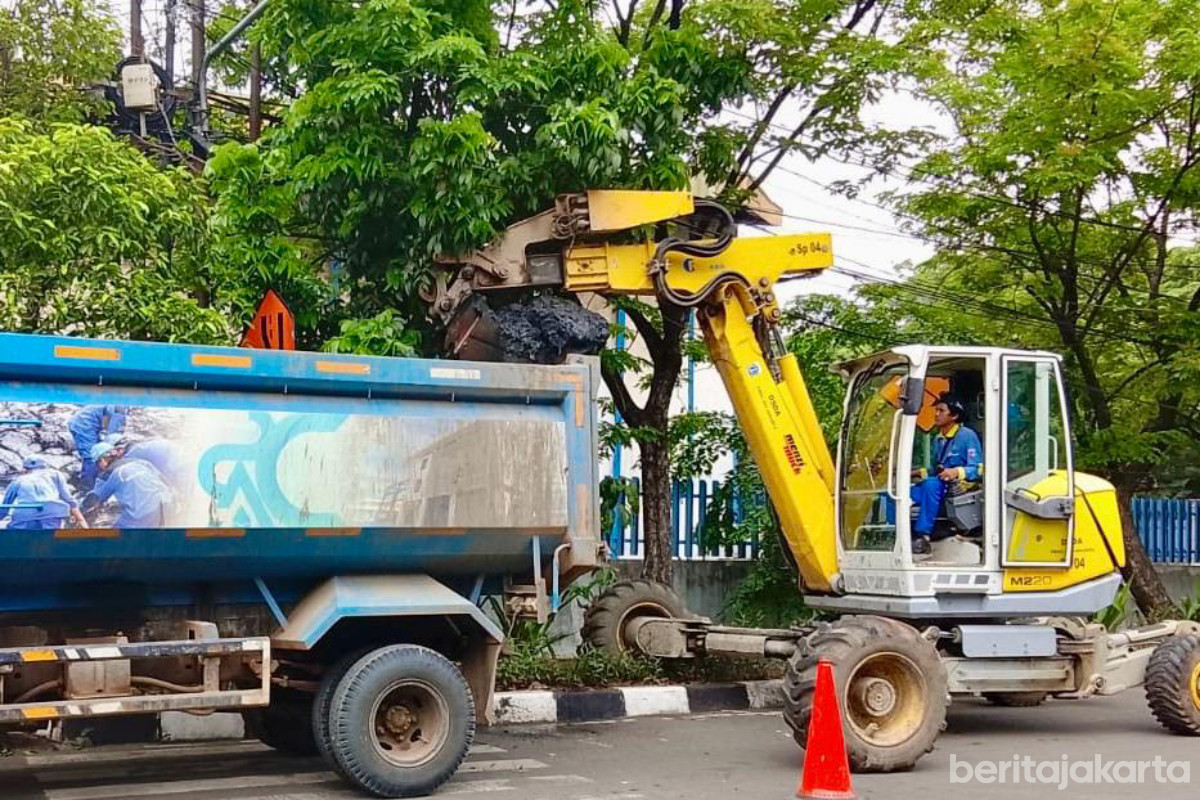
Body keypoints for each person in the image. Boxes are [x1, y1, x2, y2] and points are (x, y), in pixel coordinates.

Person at [909, 394, 982, 556]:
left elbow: (978, 468)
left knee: (931, 484)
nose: (936, 414)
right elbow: (936, 470)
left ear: (954, 416)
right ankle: (899, 534)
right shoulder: (938, 439)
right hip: (937, 485)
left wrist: (956, 472)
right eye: (936, 410)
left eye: (941, 411)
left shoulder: (967, 436)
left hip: (957, 488)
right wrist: (914, 473)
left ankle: (923, 535)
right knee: (895, 494)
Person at [84, 441, 174, 528]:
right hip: (164, 506)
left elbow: (95, 499)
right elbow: (164, 480)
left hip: (140, 516)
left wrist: (81, 512)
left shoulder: (107, 475)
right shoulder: (139, 462)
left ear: (102, 460)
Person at [0, 456, 88, 530]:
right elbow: (68, 499)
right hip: (52, 513)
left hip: (25, 515)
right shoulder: (56, 474)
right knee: (50, 539)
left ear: (24, 470)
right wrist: (81, 520)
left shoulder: (18, 481)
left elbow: (4, 507)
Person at [68, 405, 128, 489]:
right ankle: (87, 487)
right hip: (84, 424)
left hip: (84, 421)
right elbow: (113, 435)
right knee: (91, 456)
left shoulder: (120, 406)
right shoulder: (119, 408)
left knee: (98, 454)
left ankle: (93, 480)